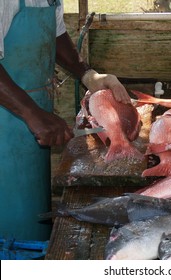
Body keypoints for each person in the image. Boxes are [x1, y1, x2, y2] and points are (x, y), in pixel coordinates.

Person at [0, 0, 131, 242]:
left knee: (31, 203)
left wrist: (87, 74)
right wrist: (31, 113)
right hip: (7, 116)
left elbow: (56, 33)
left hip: (35, 108)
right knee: (7, 213)